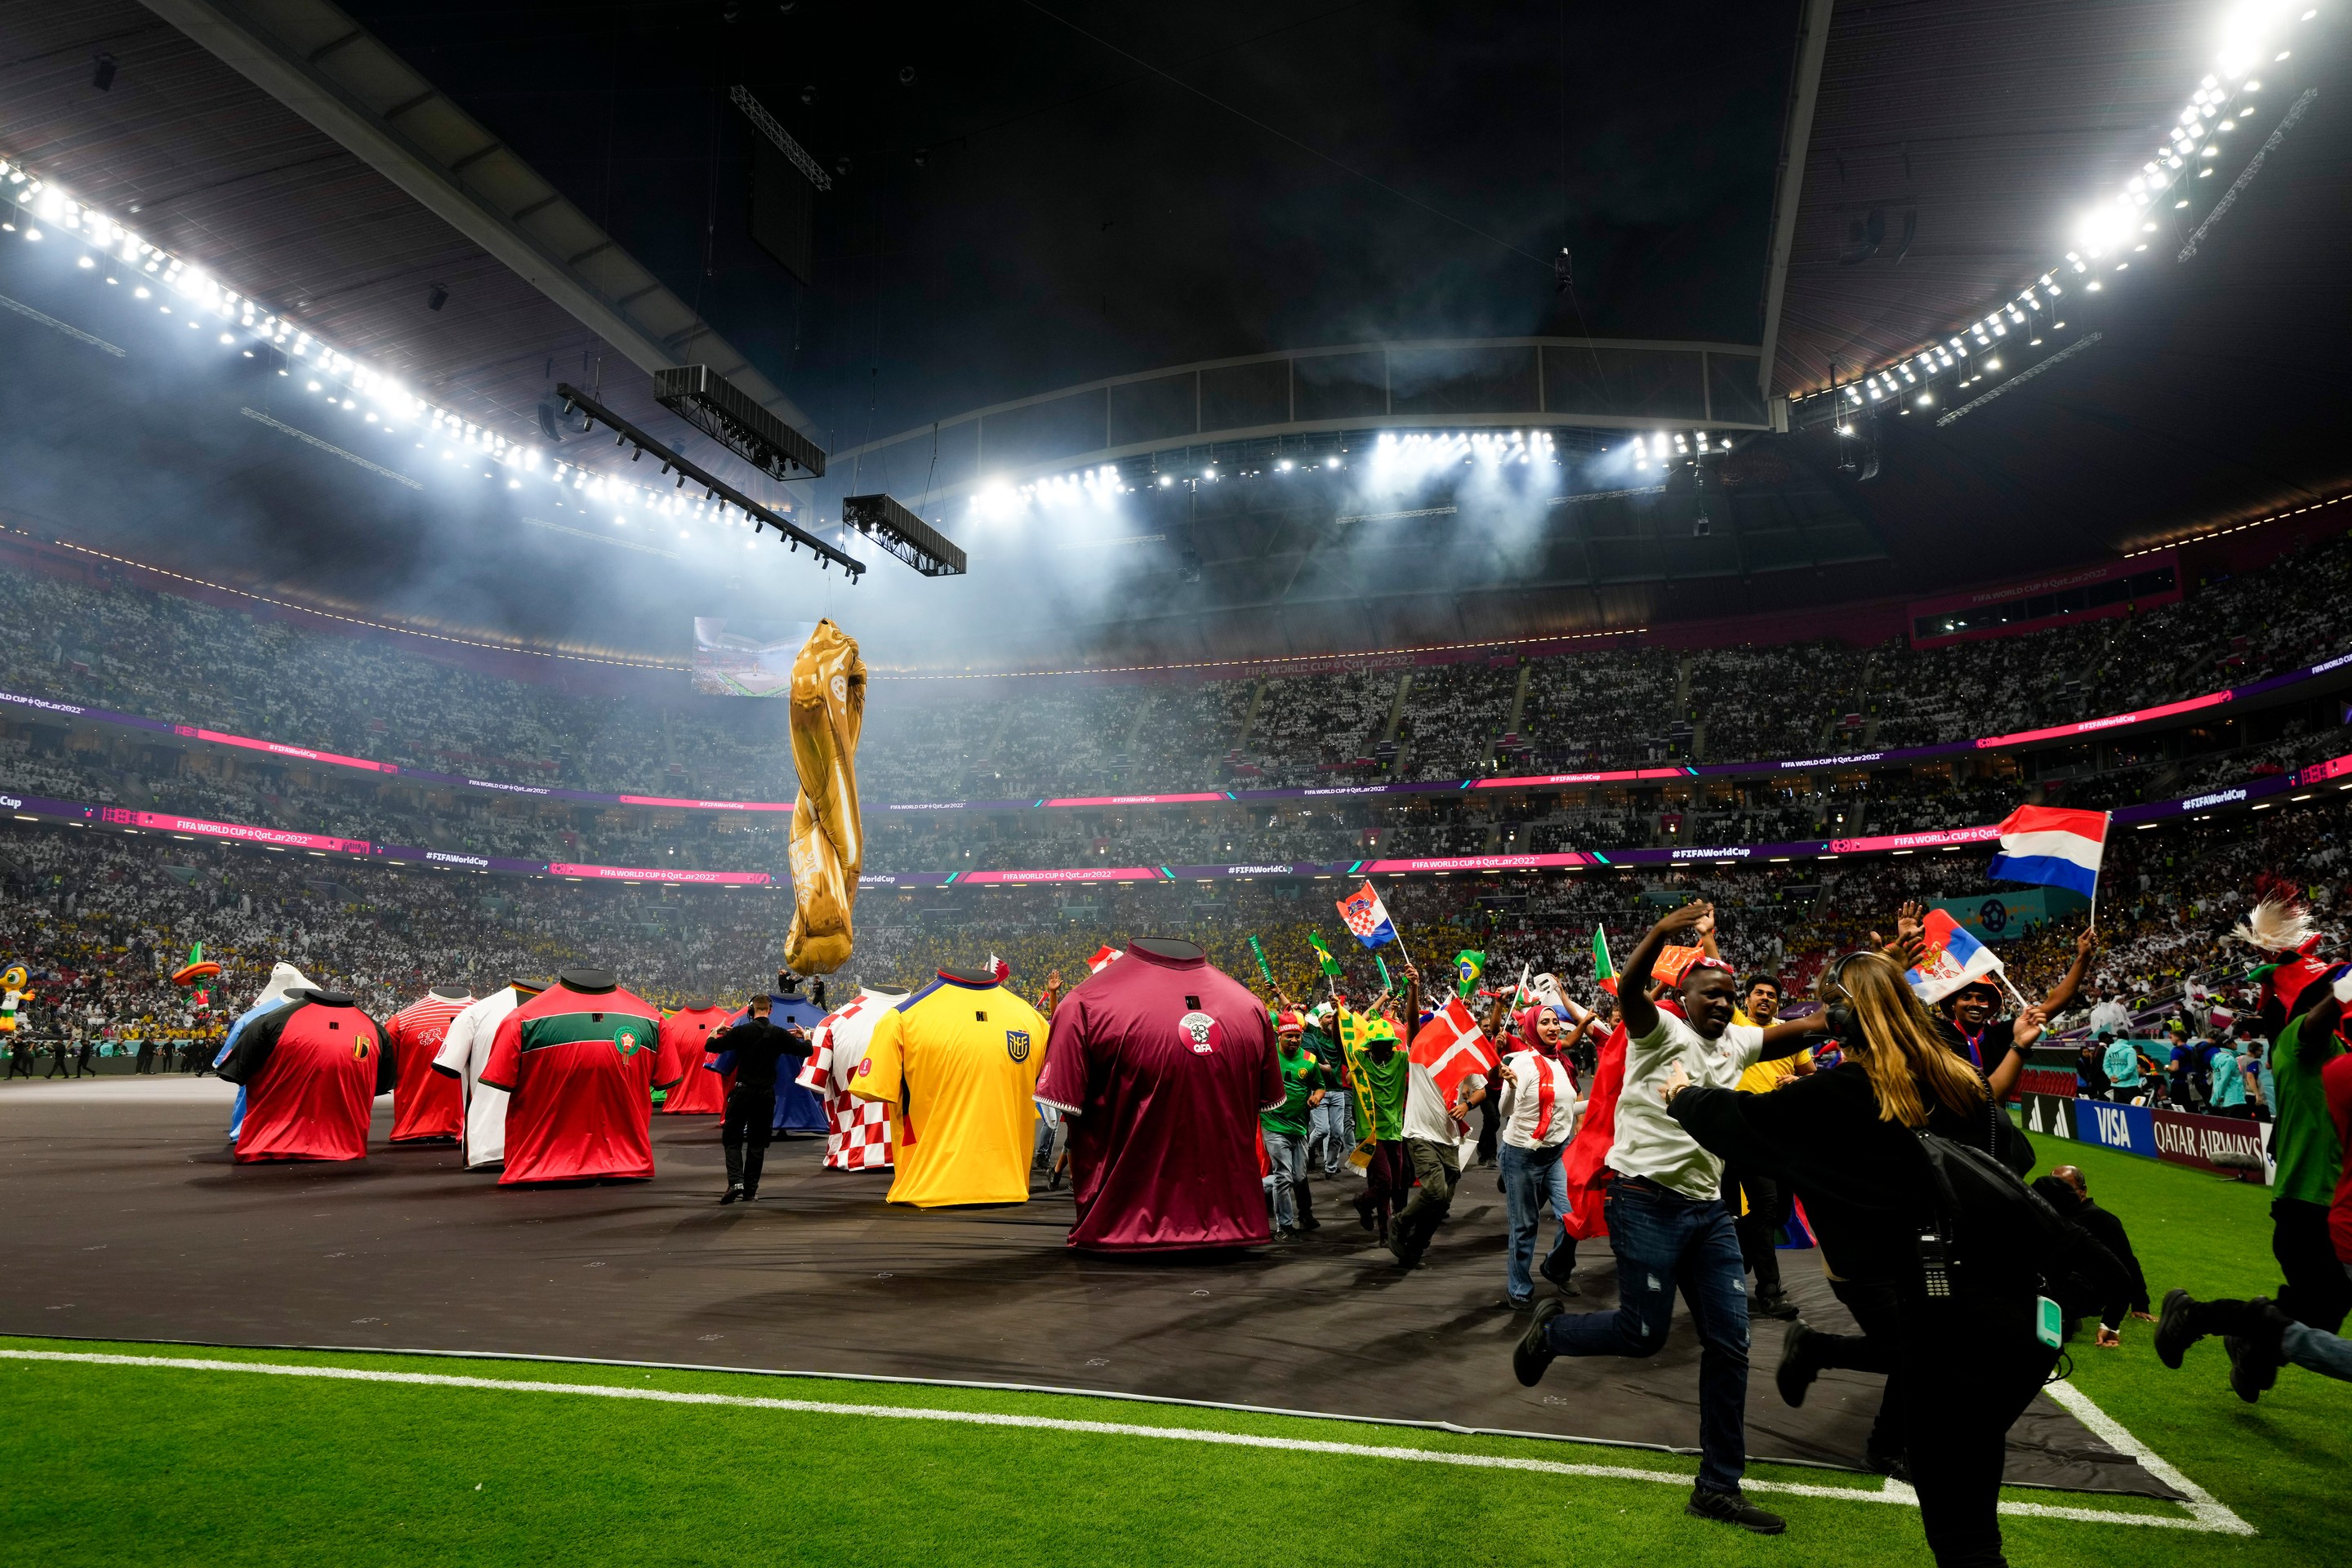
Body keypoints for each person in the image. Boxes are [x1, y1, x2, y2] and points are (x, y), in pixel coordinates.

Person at [1668, 949, 2060, 1567]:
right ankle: (1829, 1362)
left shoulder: (1850, 1091)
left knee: (1964, 1540)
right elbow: (2015, 1160)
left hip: (1945, 1326)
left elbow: (1743, 1123)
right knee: (1975, 1515)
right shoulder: (1960, 1079)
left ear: (1844, 1023)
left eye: (1831, 1009)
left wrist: (1682, 1094)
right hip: (2019, 1322)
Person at [1512, 901, 1822, 1536]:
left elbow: (1813, 1026)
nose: (1722, 1002)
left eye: (1729, 995)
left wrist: (1887, 974)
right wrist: (1659, 931)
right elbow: (1628, 988)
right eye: (1710, 993)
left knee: (1731, 1345)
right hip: (1644, 1201)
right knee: (1644, 1334)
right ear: (1684, 996)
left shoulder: (1739, 1039)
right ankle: (1555, 1334)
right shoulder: (1660, 1030)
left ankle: (1717, 1488)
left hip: (1708, 1215)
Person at [1493, 1001, 1587, 1308]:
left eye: (1555, 1022)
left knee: (1573, 1218)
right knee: (1525, 1226)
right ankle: (1519, 1287)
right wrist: (1510, 1085)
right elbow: (1505, 1110)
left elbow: (1565, 1108)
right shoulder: (1521, 1063)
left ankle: (1556, 1267)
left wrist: (1602, 1101)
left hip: (1556, 1153)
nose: (1553, 1027)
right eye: (1545, 1022)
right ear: (1533, 1028)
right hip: (1521, 1155)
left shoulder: (1564, 1063)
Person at [1726, 974, 1804, 1321]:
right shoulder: (1739, 1025)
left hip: (1781, 1139)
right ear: (1746, 999)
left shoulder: (1790, 1035)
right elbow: (1724, 987)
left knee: (1777, 1215)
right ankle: (1769, 1291)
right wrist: (1708, 937)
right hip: (1745, 1135)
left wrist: (1799, 1080)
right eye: (1759, 992)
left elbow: (1813, 1075)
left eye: (1772, 995)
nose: (1765, 998)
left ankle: (1737, 1247)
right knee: (1767, 1207)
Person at [708, 992, 813, 1204]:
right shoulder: (779, 1034)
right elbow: (807, 1051)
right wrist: (807, 1036)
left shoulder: (741, 1031)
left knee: (732, 1139)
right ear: (770, 1010)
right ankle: (750, 1190)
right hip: (765, 1095)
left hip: (742, 1092)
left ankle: (736, 1181)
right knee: (757, 1143)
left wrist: (714, 1032)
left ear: (751, 1010)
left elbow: (711, 1047)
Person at [1262, 1010, 1329, 1239]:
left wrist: (1317, 1097)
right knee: (1284, 1176)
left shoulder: (1310, 1060)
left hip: (1299, 1128)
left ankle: (1258, 1186)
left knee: (1298, 1177)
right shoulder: (1268, 1057)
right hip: (1273, 1125)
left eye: (1297, 1037)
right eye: (1289, 1036)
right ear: (1279, 1037)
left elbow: (1320, 1086)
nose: (1294, 1040)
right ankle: (1285, 1226)